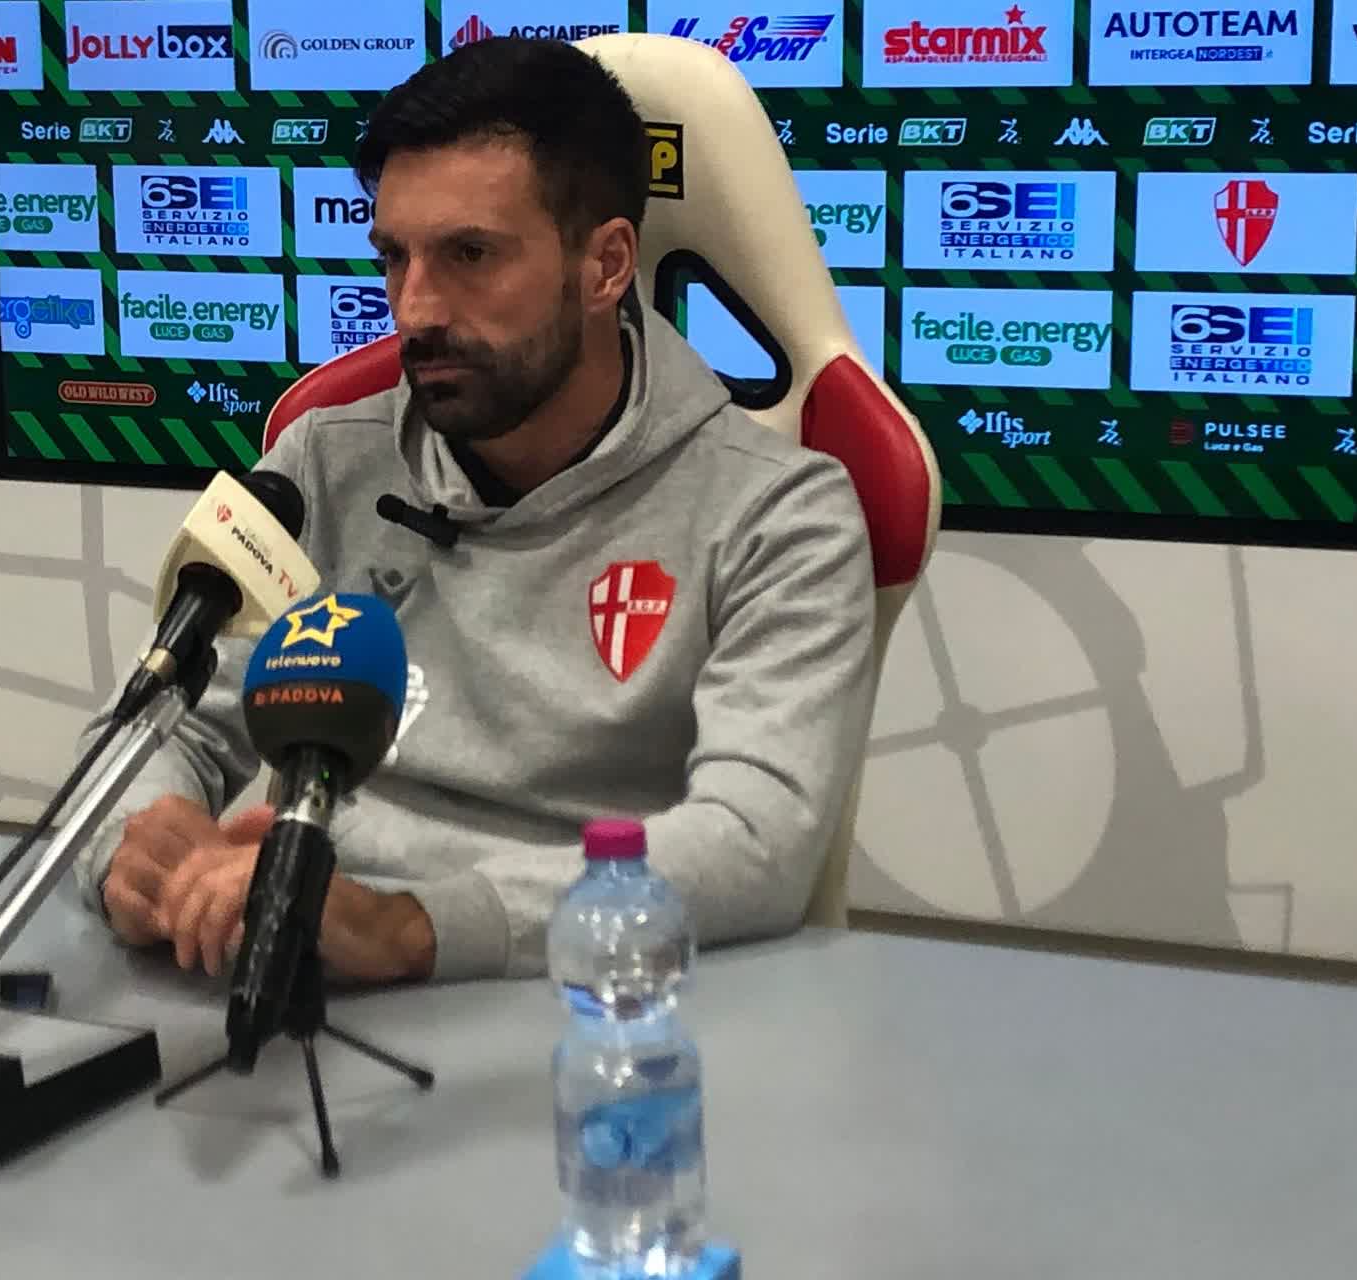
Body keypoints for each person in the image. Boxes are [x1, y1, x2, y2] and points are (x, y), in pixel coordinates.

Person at [74, 36, 876, 983]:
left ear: (606, 265)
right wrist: (137, 847)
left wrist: (410, 928)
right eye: (394, 257)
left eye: (469, 254)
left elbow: (755, 844)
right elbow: (154, 728)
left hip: (597, 999)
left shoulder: (781, 514)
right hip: (301, 977)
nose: (414, 310)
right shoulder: (318, 467)